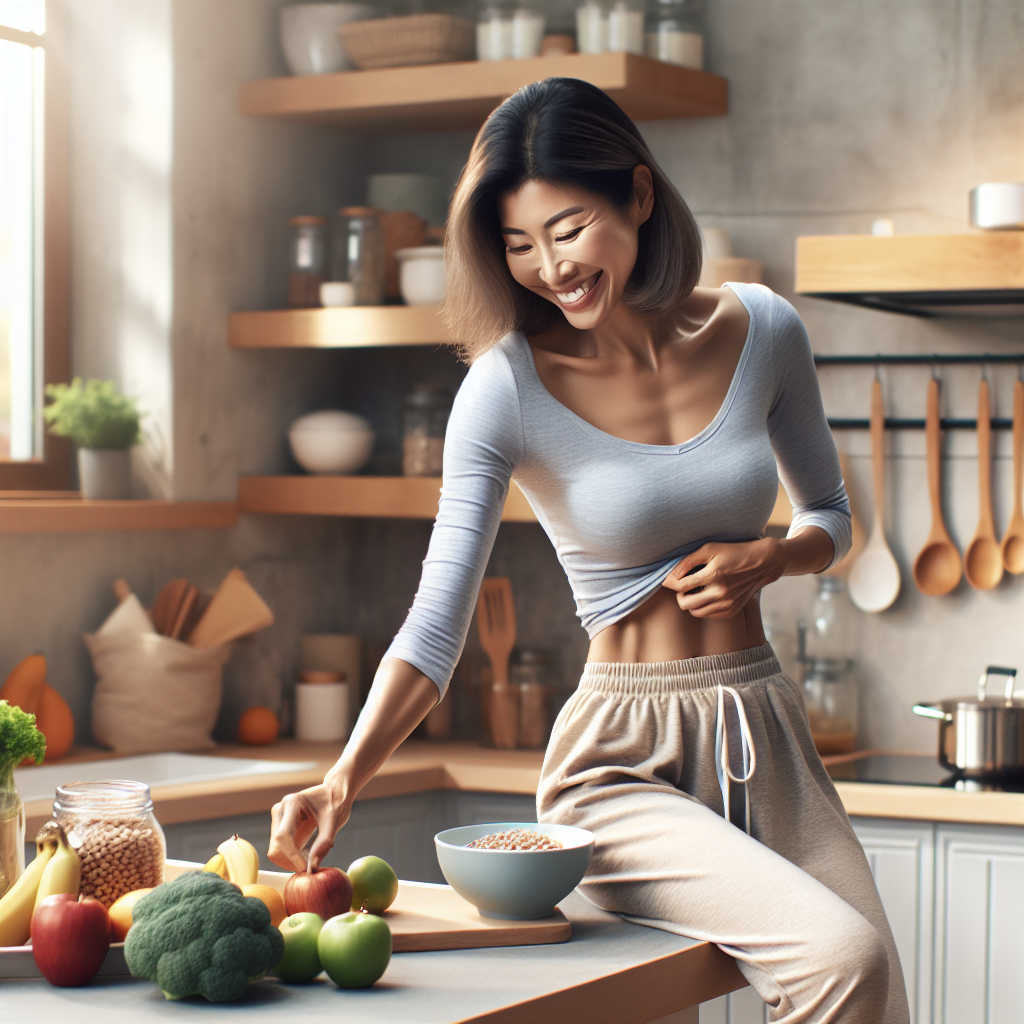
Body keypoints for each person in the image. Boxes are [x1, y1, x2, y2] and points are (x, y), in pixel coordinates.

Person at [268, 78, 910, 1024]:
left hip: (763, 729)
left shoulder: (763, 328)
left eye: (567, 230)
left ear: (639, 198)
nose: (547, 267)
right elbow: (438, 620)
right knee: (842, 958)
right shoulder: (505, 389)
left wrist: (773, 556)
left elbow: (833, 517)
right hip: (619, 763)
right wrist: (341, 778)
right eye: (518, 245)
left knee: (876, 989)